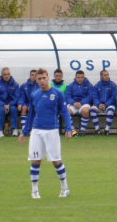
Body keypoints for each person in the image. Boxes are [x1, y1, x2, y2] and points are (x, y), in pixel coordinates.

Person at [19, 68, 75, 199]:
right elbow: (31, 114)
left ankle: (65, 187)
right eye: (39, 79)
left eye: (44, 78)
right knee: (35, 160)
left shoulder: (57, 94)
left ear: (48, 77)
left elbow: (65, 112)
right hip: (37, 131)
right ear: (36, 80)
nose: (42, 81)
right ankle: (34, 190)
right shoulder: (35, 94)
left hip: (52, 131)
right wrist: (25, 131)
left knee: (56, 161)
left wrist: (69, 128)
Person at [0, 67, 20, 137]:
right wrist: (3, 105)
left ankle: (14, 130)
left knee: (14, 109)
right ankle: (0, 130)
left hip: (11, 105)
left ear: (10, 74)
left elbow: (17, 97)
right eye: (5, 74)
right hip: (0, 105)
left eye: (8, 74)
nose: (6, 76)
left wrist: (9, 105)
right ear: (2, 75)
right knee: (1, 110)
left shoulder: (15, 84)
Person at [91, 69, 117, 134]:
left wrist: (106, 105)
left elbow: (113, 97)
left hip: (109, 105)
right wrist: (99, 104)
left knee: (110, 111)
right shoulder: (97, 85)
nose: (107, 76)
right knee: (92, 110)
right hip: (99, 105)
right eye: (105, 75)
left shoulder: (113, 85)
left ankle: (106, 130)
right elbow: (95, 97)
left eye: (108, 75)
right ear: (101, 76)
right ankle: (97, 129)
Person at [15, 69, 39, 134]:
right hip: (27, 103)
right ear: (30, 76)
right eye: (32, 75)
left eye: (35, 75)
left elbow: (39, 97)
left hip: (36, 104)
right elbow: (22, 96)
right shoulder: (24, 85)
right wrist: (20, 103)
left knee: (35, 109)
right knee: (23, 108)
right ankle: (24, 128)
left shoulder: (39, 85)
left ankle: (33, 128)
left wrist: (32, 105)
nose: (33, 76)